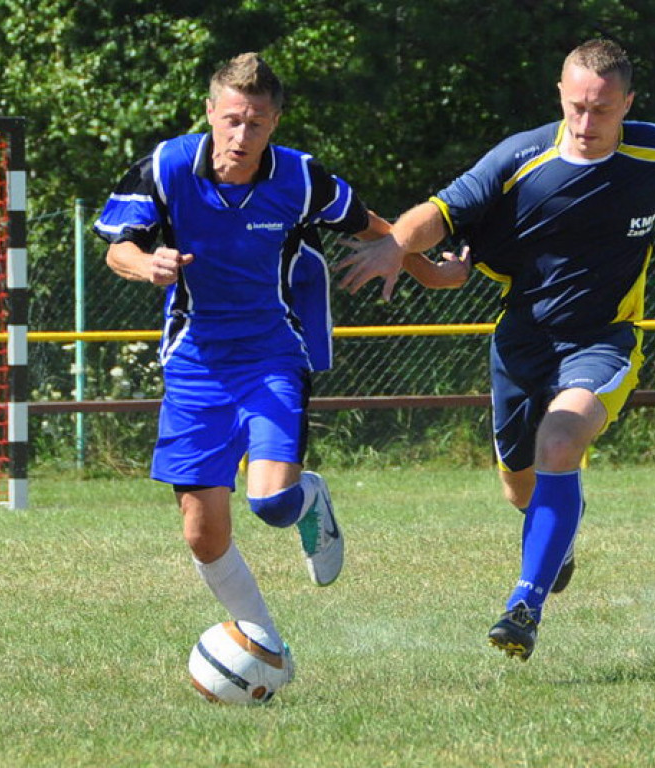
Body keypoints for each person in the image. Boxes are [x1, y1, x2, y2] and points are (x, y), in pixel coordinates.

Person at [336, 38, 655, 661]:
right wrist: (394, 247)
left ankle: (524, 606)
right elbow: (438, 213)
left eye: (601, 109)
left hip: (605, 338)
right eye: (575, 107)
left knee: (561, 439)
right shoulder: (519, 158)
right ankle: (556, 540)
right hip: (523, 338)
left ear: (628, 103)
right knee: (521, 488)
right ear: (560, 97)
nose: (586, 123)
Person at [93, 53, 446, 665]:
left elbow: (373, 227)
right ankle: (264, 642)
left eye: (255, 123)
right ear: (209, 112)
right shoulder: (167, 165)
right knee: (203, 535)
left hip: (272, 359)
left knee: (271, 504)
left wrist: (427, 270)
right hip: (194, 363)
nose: (240, 134)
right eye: (231, 119)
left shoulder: (300, 179)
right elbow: (117, 247)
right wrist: (146, 263)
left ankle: (307, 499)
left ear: (275, 122)